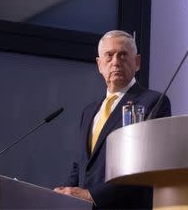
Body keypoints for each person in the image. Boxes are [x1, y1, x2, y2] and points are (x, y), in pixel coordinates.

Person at [54, 30, 171, 209]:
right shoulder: (89, 111)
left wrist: (91, 195)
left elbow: (144, 167)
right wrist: (63, 196)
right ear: (99, 64)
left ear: (137, 62)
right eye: (109, 56)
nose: (115, 62)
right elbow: (81, 165)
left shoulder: (153, 102)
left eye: (123, 55)